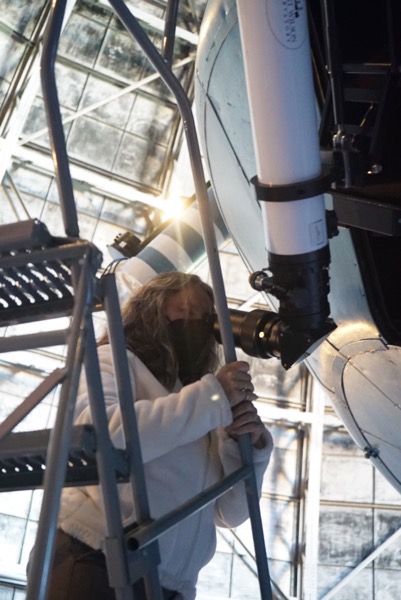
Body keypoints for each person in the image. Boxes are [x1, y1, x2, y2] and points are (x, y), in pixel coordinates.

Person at [47, 271, 273, 600]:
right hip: (98, 556)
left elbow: (229, 513)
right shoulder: (112, 360)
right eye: (183, 310)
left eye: (201, 317)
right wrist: (212, 399)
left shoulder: (199, 404)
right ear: (150, 310)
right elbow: (98, 437)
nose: (192, 322)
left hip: (172, 585)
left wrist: (244, 446)